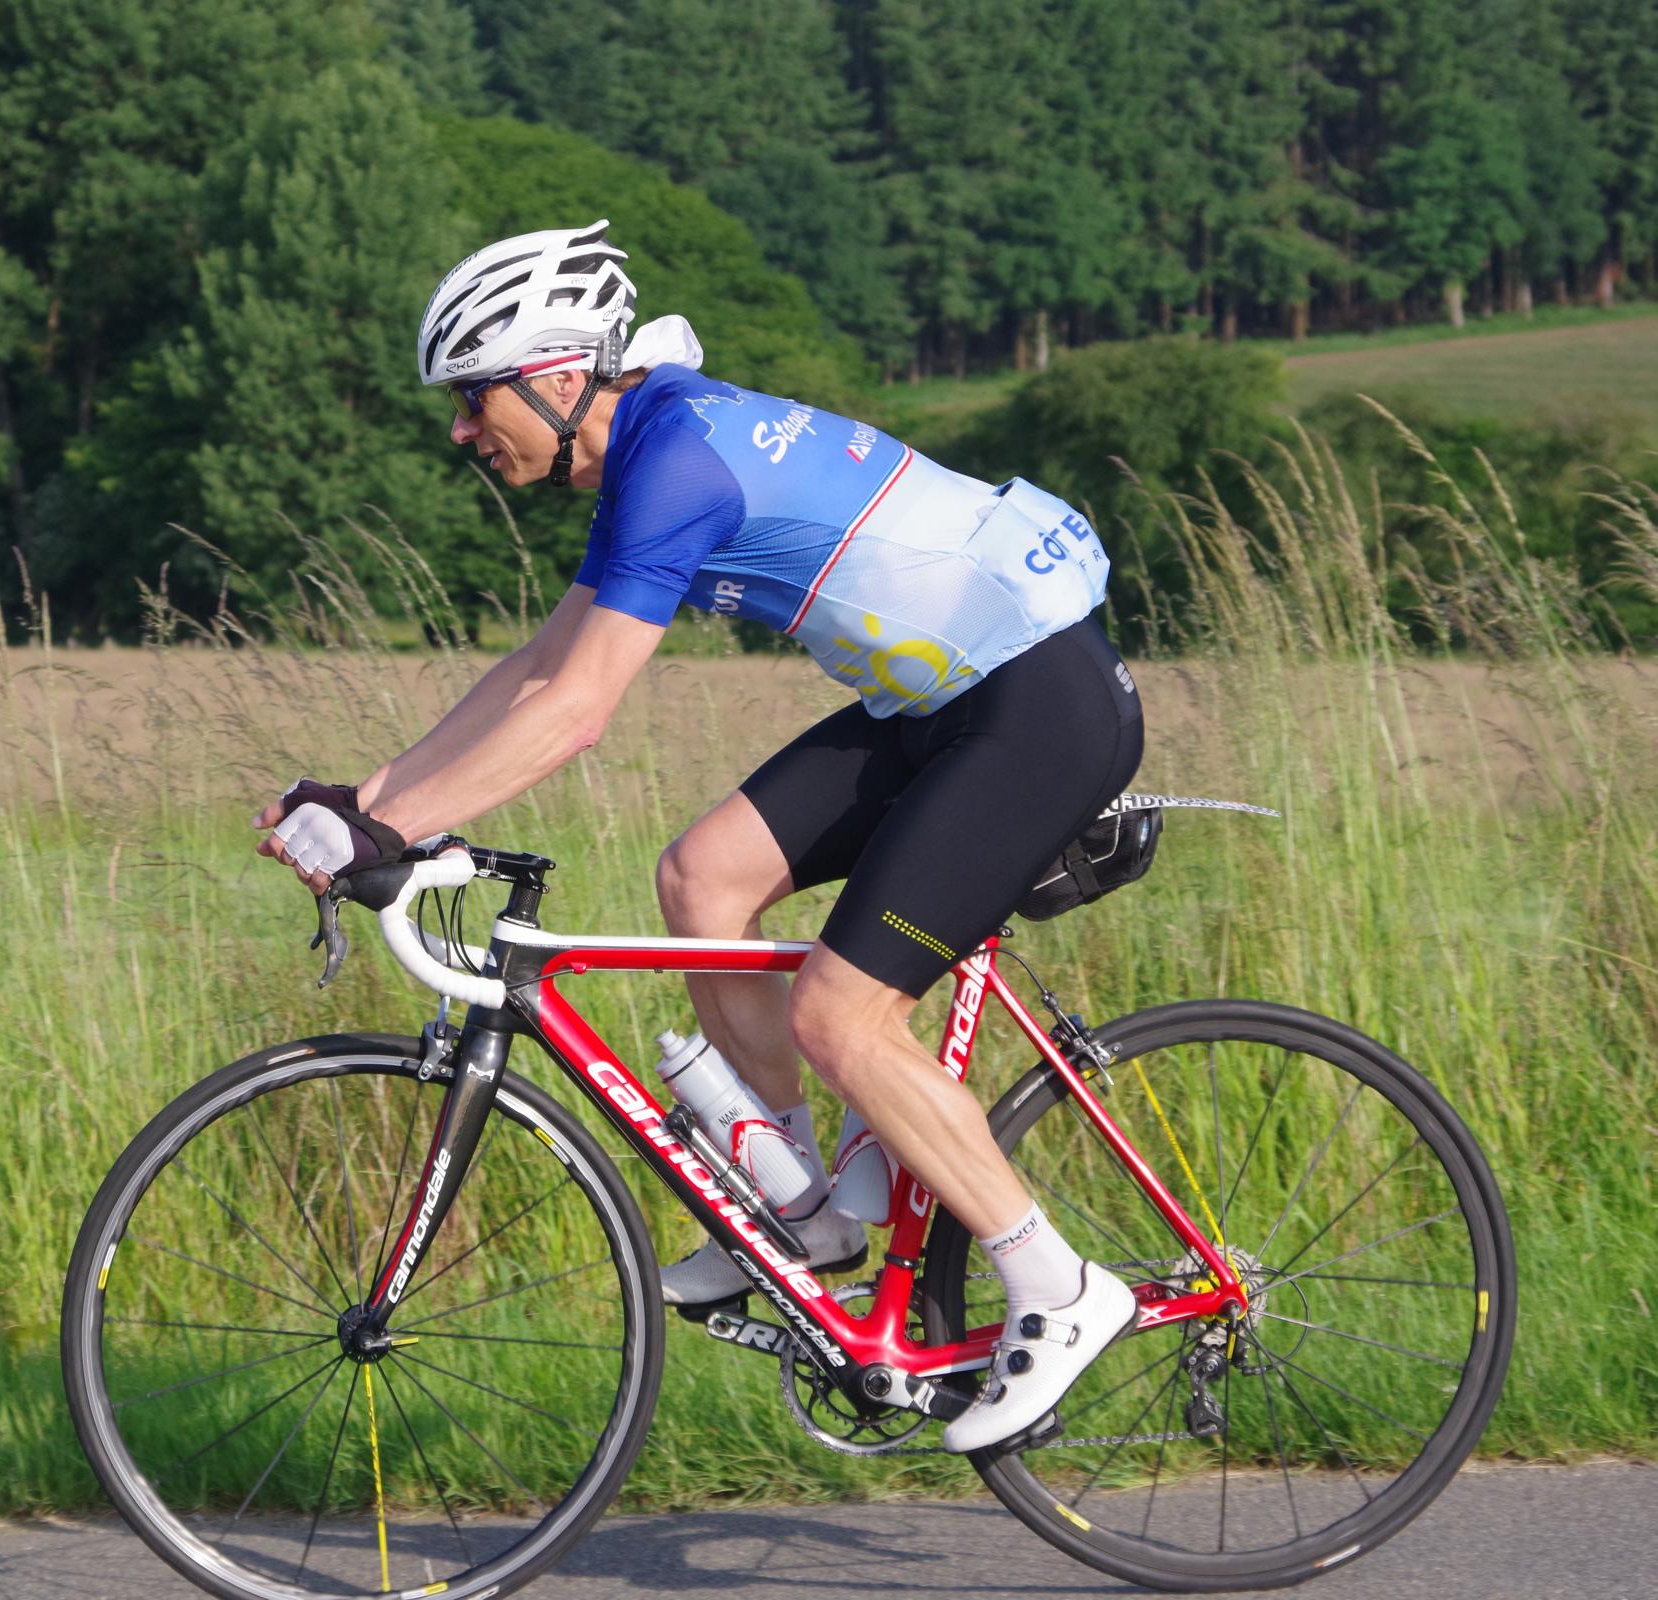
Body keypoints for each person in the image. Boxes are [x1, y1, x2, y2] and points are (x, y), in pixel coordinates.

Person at [252, 220, 1144, 1453]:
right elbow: (538, 663)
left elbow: (576, 712)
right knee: (703, 875)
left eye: (472, 397)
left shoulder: (677, 462)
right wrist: (371, 800)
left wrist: (389, 829)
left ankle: (1058, 1283)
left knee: (843, 1016)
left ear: (555, 377)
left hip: (1036, 704)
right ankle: (804, 1214)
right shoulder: (652, 445)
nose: (460, 430)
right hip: (943, 704)